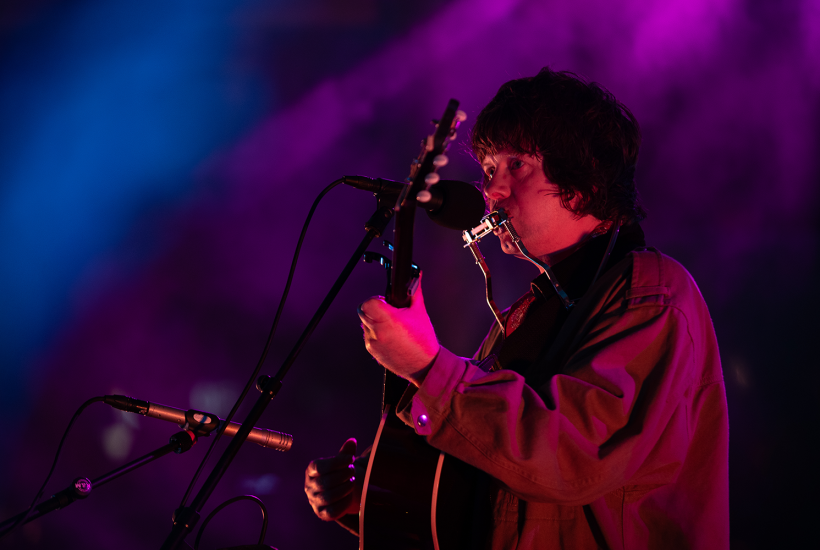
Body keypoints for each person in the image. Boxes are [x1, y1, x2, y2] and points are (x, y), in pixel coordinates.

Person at [304, 68, 729, 549]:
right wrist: (370, 496)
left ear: (582, 184)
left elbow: (573, 456)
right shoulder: (530, 312)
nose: (492, 191)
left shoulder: (653, 293)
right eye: (489, 170)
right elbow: (487, 475)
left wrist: (428, 367)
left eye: (517, 165)